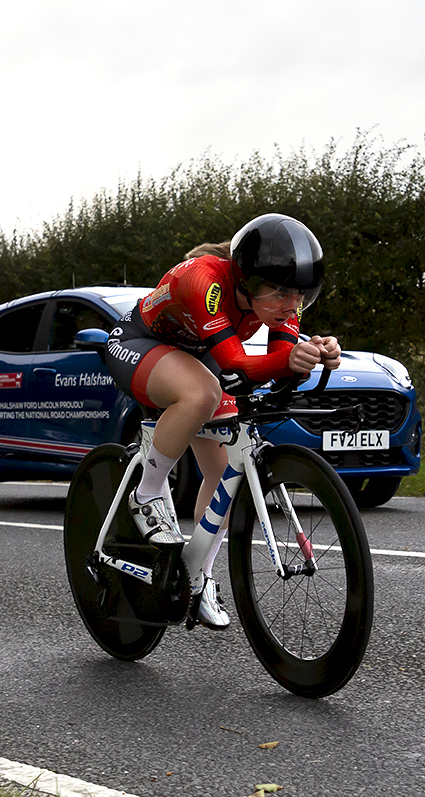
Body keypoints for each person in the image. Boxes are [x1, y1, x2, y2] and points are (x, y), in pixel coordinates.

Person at [102, 213, 341, 630]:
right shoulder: (205, 280)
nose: (292, 303)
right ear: (248, 280)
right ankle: (147, 492)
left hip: (196, 353)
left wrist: (311, 355)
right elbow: (234, 363)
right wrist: (286, 359)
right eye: (282, 291)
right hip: (141, 342)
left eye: (300, 294)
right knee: (203, 392)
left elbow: (277, 362)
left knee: (224, 475)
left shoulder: (286, 305)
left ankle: (200, 576)